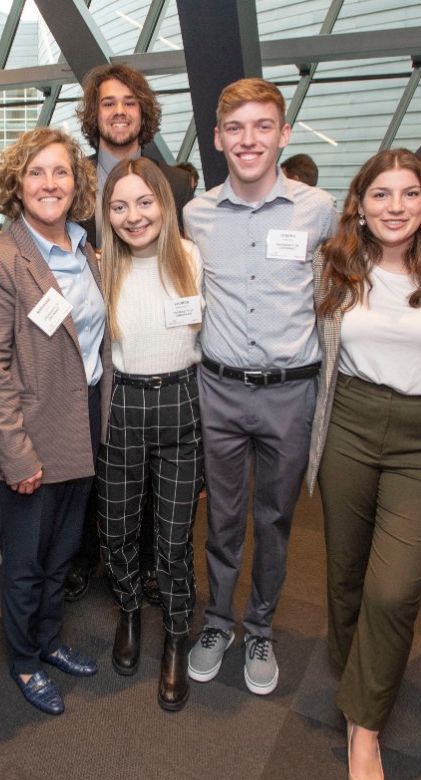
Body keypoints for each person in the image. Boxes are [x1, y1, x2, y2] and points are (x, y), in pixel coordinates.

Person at [305, 149, 421, 780]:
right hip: (348, 423)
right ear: (360, 203)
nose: (395, 206)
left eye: (410, 194)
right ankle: (360, 668)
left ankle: (366, 724)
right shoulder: (335, 263)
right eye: (381, 194)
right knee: (346, 575)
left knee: (393, 587)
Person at [184, 78, 337, 696]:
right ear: (218, 138)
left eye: (262, 127)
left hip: (290, 391)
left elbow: (339, 293)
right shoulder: (195, 215)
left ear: (283, 134)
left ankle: (261, 628)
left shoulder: (318, 210)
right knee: (222, 517)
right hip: (217, 388)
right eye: (236, 129)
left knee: (274, 519)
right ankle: (218, 620)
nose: (249, 140)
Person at [0, 127, 111, 716]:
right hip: (30, 436)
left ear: (76, 183)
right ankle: (25, 659)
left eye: (60, 172)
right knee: (25, 564)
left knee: (62, 554)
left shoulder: (87, 251)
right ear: (16, 185)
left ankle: (50, 639)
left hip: (83, 428)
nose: (49, 183)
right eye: (36, 173)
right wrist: (17, 453)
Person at [65, 61, 196, 603]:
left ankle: (147, 566)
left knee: (152, 471)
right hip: (88, 340)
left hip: (154, 343)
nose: (118, 112)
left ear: (144, 113)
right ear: (94, 115)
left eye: (129, 103)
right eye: (108, 103)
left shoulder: (178, 182)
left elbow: (183, 258)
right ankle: (87, 557)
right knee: (96, 461)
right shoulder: (73, 181)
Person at [96, 157, 204, 711]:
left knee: (172, 540)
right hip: (122, 406)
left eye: (144, 203)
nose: (133, 216)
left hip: (182, 403)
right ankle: (131, 613)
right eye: (120, 206)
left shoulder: (191, 259)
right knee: (116, 529)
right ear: (106, 213)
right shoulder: (101, 268)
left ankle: (176, 638)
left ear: (164, 203)